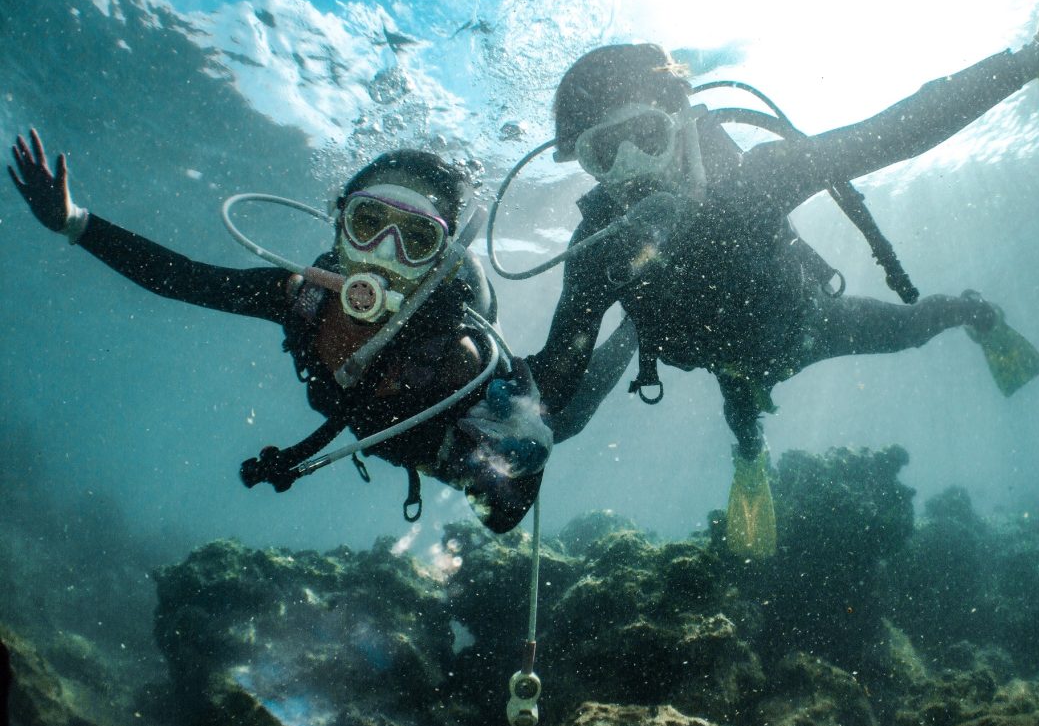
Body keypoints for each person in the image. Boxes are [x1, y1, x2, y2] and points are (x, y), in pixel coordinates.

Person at [524, 0, 1039, 555]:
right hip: (719, 359)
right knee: (741, 423)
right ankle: (750, 459)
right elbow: (558, 374)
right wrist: (513, 419)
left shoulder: (759, 181)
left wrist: (1028, 62)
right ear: (584, 165)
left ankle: (972, 312)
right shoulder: (600, 246)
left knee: (908, 331)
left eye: (645, 137)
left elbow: (892, 133)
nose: (633, 171)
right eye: (603, 153)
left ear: (681, 123)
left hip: (806, 325)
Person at [8, 131, 631, 533]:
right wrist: (72, 222)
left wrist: (517, 444)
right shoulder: (300, 298)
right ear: (338, 230)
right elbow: (182, 279)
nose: (383, 254)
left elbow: (502, 515)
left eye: (414, 240)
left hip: (453, 429)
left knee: (565, 416)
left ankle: (633, 336)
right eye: (368, 223)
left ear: (439, 261)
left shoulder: (459, 358)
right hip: (378, 429)